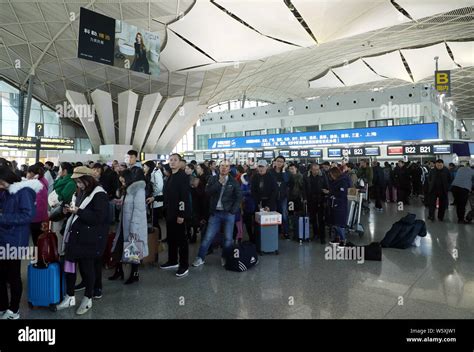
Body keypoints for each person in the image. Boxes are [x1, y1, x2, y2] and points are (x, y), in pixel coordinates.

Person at [56, 167, 108, 315]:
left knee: (87, 270)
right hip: (74, 237)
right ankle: (70, 296)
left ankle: (87, 298)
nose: (78, 184)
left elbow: (99, 218)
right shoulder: (80, 192)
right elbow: (76, 210)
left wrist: (78, 211)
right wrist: (67, 210)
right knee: (70, 266)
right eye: (77, 182)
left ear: (88, 179)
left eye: (80, 181)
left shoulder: (99, 195)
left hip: (88, 239)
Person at [0, 166, 41, 319]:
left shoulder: (24, 191)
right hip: (4, 238)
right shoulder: (6, 191)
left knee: (13, 276)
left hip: (15, 240)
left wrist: (2, 218)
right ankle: (3, 306)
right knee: (1, 275)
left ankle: (14, 310)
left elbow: (28, 216)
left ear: (6, 179)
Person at [192, 160, 242, 268]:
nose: (224, 168)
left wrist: (233, 210)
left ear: (229, 168)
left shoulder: (233, 181)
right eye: (222, 166)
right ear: (219, 167)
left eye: (226, 166)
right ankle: (200, 257)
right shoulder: (213, 179)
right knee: (208, 237)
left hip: (229, 213)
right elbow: (207, 192)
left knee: (228, 238)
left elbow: (239, 197)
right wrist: (219, 183)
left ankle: (225, 257)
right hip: (215, 213)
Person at [109, 169, 148, 284]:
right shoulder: (128, 190)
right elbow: (128, 203)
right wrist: (120, 202)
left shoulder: (139, 190)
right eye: (121, 182)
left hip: (132, 225)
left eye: (124, 181)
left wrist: (134, 228)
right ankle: (119, 271)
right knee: (119, 247)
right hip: (124, 224)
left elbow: (138, 210)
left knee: (133, 250)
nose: (123, 184)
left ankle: (134, 275)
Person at [160, 154, 191, 277]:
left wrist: (181, 214)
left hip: (179, 214)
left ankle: (184, 265)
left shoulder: (182, 177)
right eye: (171, 160)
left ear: (180, 162)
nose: (172, 162)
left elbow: (183, 197)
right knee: (171, 238)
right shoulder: (170, 176)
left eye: (175, 160)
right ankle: (172, 261)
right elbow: (168, 195)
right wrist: (155, 198)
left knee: (181, 240)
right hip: (170, 213)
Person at [304, 163, 329, 243]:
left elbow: (326, 185)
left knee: (321, 219)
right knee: (313, 218)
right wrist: (305, 198)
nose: (316, 171)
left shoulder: (323, 175)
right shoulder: (306, 176)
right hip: (311, 199)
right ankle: (315, 234)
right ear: (311, 169)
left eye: (317, 169)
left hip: (321, 199)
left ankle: (322, 237)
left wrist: (326, 194)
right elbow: (304, 188)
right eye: (314, 170)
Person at [326, 167, 350, 246]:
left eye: (331, 175)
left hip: (340, 205)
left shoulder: (342, 181)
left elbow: (342, 193)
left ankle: (343, 241)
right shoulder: (336, 181)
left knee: (339, 224)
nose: (331, 176)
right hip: (334, 204)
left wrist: (331, 194)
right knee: (335, 223)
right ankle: (337, 239)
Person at [26, 164, 49, 246]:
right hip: (43, 217)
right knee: (40, 240)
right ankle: (39, 257)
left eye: (28, 172)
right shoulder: (42, 181)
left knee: (37, 240)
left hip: (37, 219)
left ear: (32, 173)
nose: (27, 175)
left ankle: (39, 258)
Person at [269, 156, 290, 240]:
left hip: (283, 197)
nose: (279, 163)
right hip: (273, 197)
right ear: (275, 162)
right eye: (278, 161)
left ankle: (286, 232)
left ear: (284, 163)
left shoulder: (286, 172)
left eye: (281, 162)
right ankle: (275, 232)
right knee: (273, 215)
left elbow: (286, 180)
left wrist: (284, 170)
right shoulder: (270, 172)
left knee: (284, 215)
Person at [145, 161, 164, 241]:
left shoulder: (156, 173)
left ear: (149, 167)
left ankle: (158, 238)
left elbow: (159, 187)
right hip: (153, 199)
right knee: (153, 220)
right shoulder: (151, 174)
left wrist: (153, 194)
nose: (144, 168)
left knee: (155, 220)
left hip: (157, 199)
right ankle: (156, 237)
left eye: (145, 167)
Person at [288, 163, 304, 239]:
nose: (291, 170)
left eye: (292, 168)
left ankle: (297, 229)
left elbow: (302, 187)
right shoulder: (288, 176)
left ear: (296, 169)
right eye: (290, 169)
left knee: (297, 213)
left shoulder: (300, 176)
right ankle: (292, 228)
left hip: (297, 197)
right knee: (290, 213)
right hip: (290, 197)